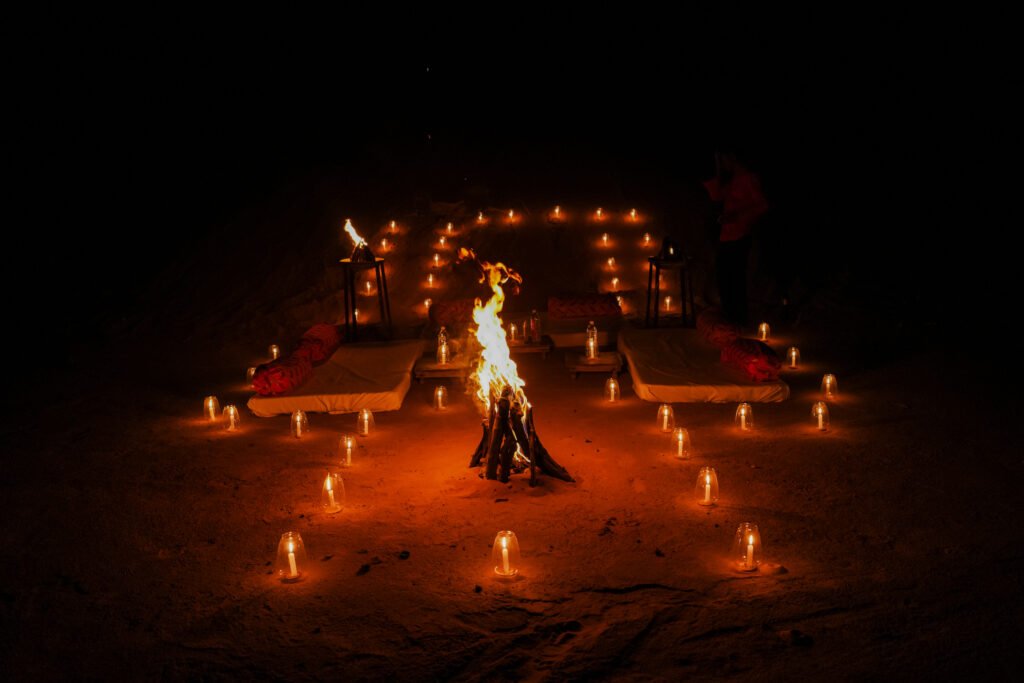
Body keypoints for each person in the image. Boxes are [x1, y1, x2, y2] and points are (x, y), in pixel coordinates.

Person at [703, 150, 769, 326]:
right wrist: (717, 169)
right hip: (727, 235)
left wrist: (737, 216)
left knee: (735, 278)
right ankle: (730, 316)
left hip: (740, 235)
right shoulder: (730, 178)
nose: (723, 163)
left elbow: (762, 205)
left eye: (723, 159)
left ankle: (738, 319)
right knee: (724, 276)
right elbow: (716, 195)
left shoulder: (747, 178)